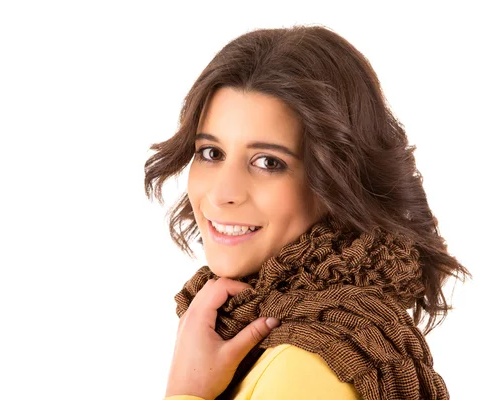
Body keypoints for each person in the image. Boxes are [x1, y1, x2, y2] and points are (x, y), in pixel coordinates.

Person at [144, 25, 469, 400]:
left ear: (335, 181)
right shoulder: (267, 332)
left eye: (267, 162)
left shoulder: (302, 367)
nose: (221, 194)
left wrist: (185, 392)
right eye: (211, 153)